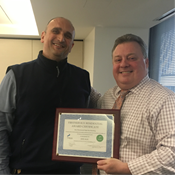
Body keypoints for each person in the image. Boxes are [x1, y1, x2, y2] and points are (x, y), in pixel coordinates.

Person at [0, 17, 100, 175]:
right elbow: (2, 127)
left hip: (70, 171)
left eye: (67, 36)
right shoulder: (16, 75)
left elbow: (93, 116)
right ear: (43, 36)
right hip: (27, 170)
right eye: (56, 31)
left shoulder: (82, 78)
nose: (61, 38)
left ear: (71, 45)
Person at [97, 34, 175, 175]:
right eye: (118, 59)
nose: (124, 64)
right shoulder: (108, 96)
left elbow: (171, 154)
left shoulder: (166, 100)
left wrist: (127, 168)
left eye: (132, 58)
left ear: (146, 63)